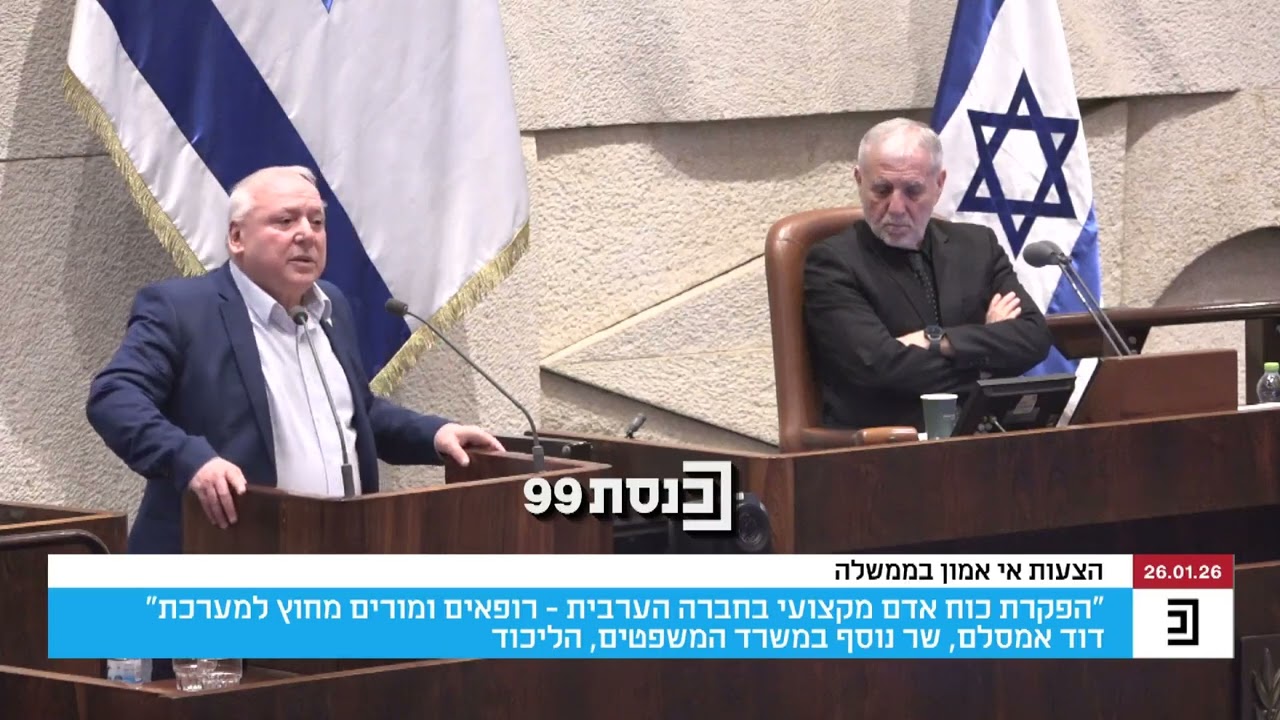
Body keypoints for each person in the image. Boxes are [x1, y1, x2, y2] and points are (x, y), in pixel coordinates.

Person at [87, 165, 506, 555]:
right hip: (218, 558)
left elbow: (356, 413)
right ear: (237, 237)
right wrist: (189, 459)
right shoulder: (182, 309)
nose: (306, 234)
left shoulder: (331, 307)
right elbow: (115, 397)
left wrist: (435, 435)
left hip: (333, 554)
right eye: (285, 221)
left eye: (317, 221)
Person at [803, 118, 1053, 432]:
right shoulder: (833, 263)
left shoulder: (978, 246)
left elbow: (1033, 337)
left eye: (913, 191)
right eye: (882, 189)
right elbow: (882, 367)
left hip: (981, 435)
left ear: (939, 184)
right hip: (889, 445)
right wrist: (988, 354)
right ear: (858, 180)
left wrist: (935, 340)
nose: (896, 207)